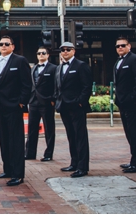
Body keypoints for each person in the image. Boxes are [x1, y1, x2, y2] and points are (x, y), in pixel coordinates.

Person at [0, 35, 32, 186]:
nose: (4, 46)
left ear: (13, 46)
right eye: (1, 44)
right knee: (3, 139)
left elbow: (27, 84)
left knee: (16, 141)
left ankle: (17, 174)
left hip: (13, 107)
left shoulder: (20, 61)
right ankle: (7, 169)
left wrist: (21, 102)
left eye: (7, 44)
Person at [55, 42, 92, 178]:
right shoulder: (59, 68)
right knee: (71, 135)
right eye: (63, 50)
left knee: (80, 136)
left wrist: (80, 102)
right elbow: (57, 86)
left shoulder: (81, 66)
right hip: (64, 106)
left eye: (68, 50)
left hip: (76, 106)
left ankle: (83, 166)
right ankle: (74, 162)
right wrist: (57, 100)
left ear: (73, 51)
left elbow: (86, 86)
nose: (65, 52)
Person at [114, 36, 136, 173]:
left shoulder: (135, 59)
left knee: (134, 133)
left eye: (123, 45)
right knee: (129, 133)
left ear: (129, 46)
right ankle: (134, 160)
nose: (120, 48)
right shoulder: (119, 61)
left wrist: (132, 97)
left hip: (132, 103)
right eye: (118, 46)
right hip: (122, 102)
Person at [25, 46, 57, 162]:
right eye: (39, 53)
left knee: (49, 129)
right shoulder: (33, 68)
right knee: (32, 129)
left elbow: (56, 85)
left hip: (47, 102)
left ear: (48, 55)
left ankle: (48, 154)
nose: (41, 55)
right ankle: (29, 153)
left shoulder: (53, 68)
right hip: (33, 102)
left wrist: (53, 99)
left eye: (43, 53)